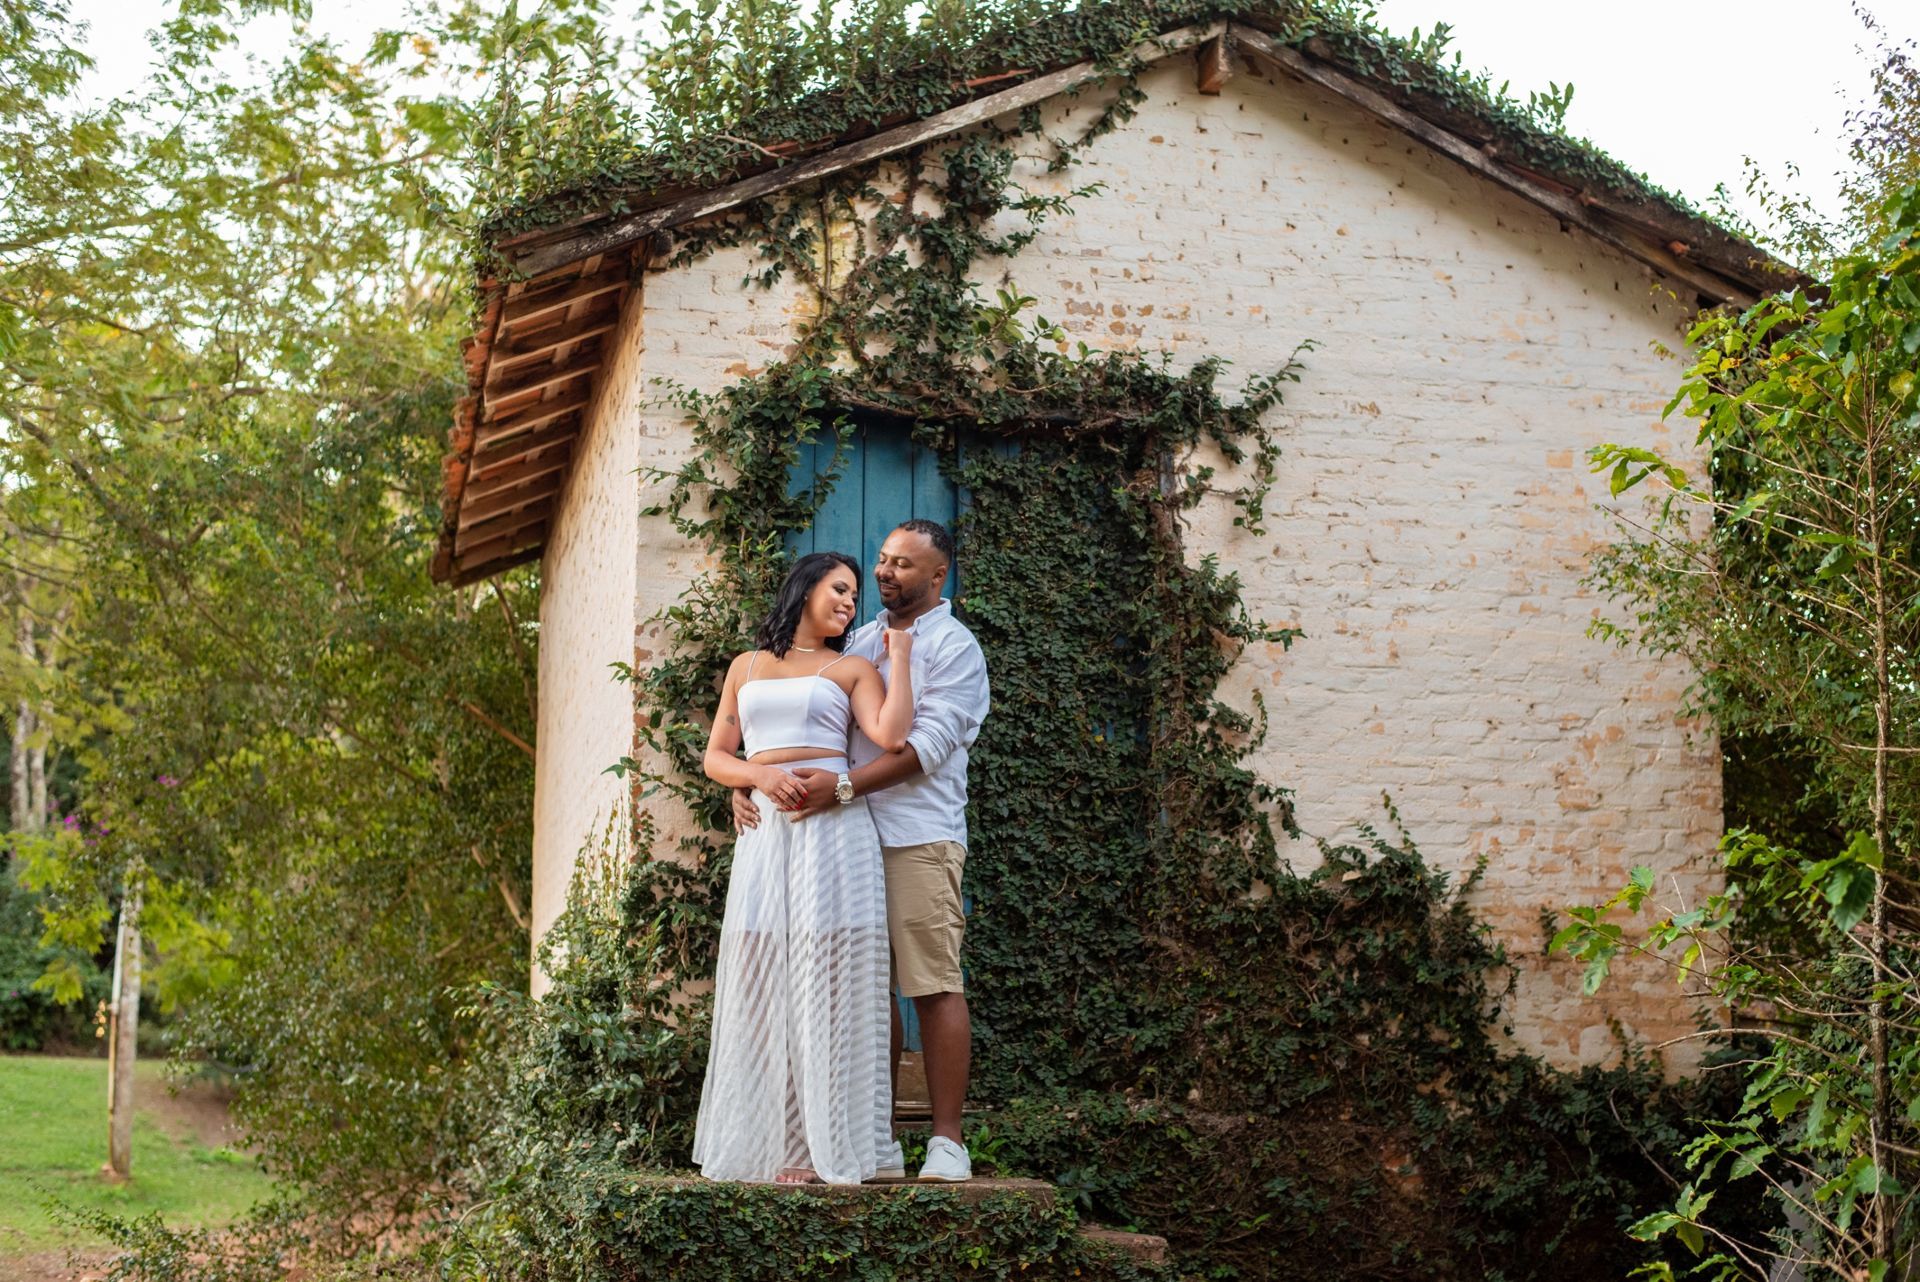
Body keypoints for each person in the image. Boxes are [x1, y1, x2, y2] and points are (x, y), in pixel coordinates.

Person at [734, 519, 990, 1183]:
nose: (886, 573)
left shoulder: (955, 648)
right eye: (883, 559)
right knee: (853, 992)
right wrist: (754, 782)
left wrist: (841, 786)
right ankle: (865, 1137)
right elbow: (807, 726)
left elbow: (921, 749)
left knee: (930, 983)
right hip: (837, 839)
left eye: (905, 565)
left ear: (938, 576)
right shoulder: (862, 640)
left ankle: (946, 1143)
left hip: (912, 837)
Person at [691, 551, 916, 1185]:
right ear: (806, 585)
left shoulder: (852, 667)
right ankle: (779, 1139)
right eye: (839, 588)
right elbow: (716, 756)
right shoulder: (746, 666)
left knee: (830, 979)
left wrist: (896, 659)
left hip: (833, 831)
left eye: (853, 594)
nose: (849, 601)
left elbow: (892, 736)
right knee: (764, 978)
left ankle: (829, 1146)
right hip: (767, 833)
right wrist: (757, 775)